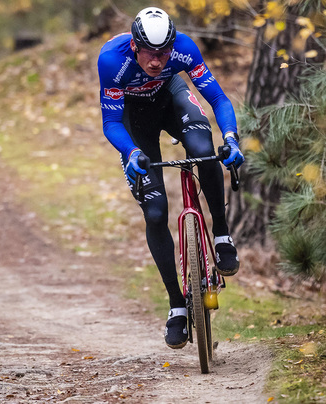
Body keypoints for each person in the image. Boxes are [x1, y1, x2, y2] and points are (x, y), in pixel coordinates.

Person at [97, 7, 244, 349]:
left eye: (164, 53)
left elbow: (218, 99)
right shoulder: (111, 60)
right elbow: (111, 123)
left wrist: (232, 138)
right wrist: (132, 153)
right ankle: (177, 305)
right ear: (135, 46)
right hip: (136, 120)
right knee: (156, 212)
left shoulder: (184, 49)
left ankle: (221, 235)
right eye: (150, 53)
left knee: (204, 148)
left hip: (172, 99)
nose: (157, 61)